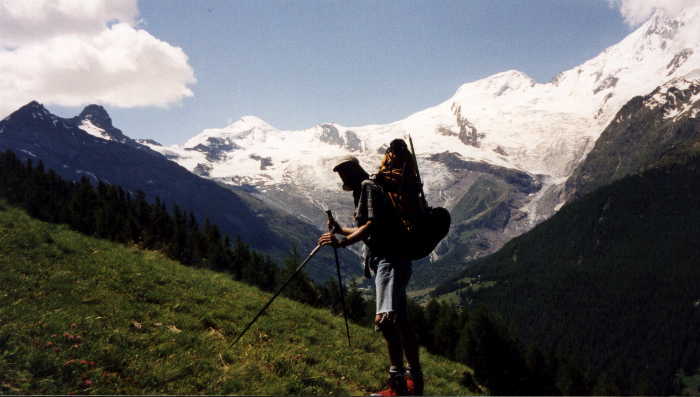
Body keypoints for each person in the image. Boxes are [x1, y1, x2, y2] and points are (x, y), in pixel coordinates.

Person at [318, 145, 424, 396]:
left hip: (389, 261)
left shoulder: (366, 187)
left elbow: (371, 225)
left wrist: (341, 242)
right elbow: (369, 226)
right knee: (402, 321)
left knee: (386, 320)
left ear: (354, 170)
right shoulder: (366, 190)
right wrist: (339, 229)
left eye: (344, 171)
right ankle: (414, 382)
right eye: (340, 173)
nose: (342, 176)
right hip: (395, 259)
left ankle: (398, 385)